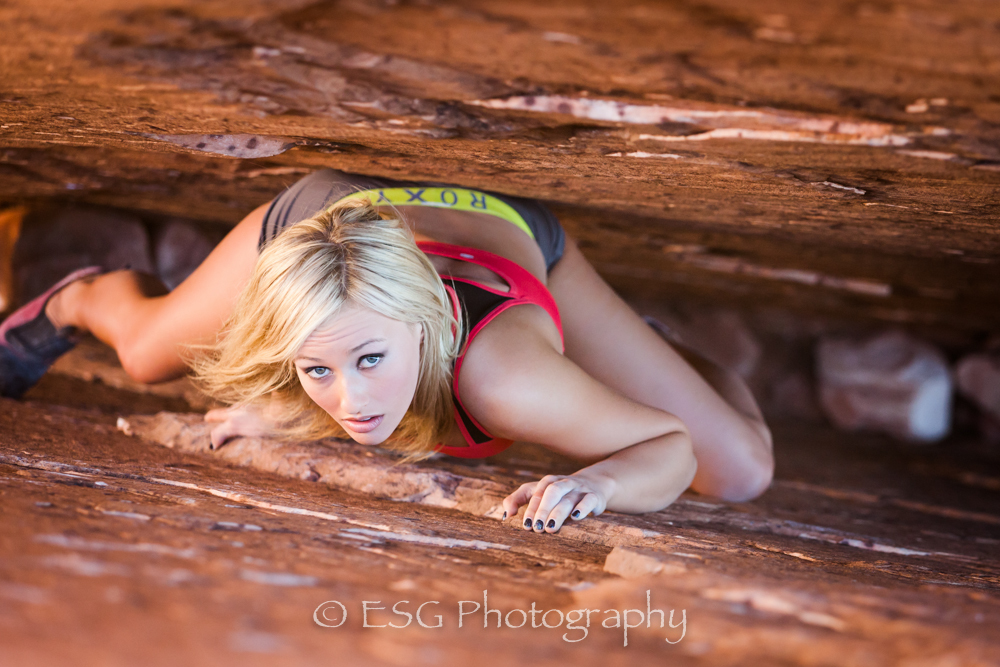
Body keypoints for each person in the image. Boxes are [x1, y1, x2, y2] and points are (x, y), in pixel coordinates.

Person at [0, 169, 773, 533]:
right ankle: (79, 295)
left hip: (503, 236)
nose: (349, 403)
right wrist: (284, 404)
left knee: (738, 471)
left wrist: (599, 482)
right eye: (315, 373)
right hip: (330, 228)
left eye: (370, 362)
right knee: (144, 354)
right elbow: (331, 350)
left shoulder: (506, 379)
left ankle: (654, 351)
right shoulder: (325, 333)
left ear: (425, 321)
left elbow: (666, 445)